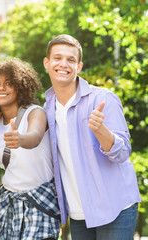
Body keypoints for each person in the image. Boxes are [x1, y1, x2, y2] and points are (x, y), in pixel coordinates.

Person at [43, 34, 141, 240]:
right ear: (47, 63)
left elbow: (122, 153)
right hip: (79, 213)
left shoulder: (102, 99)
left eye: (71, 60)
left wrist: (101, 131)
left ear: (79, 66)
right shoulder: (48, 107)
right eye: (57, 58)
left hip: (115, 207)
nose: (64, 64)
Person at [0, 58, 60, 240]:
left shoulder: (35, 112)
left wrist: (20, 139)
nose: (1, 88)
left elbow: (35, 136)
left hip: (40, 203)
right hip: (9, 203)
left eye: (9, 83)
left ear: (20, 86)